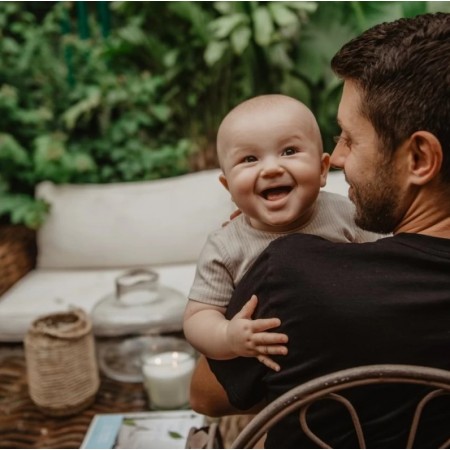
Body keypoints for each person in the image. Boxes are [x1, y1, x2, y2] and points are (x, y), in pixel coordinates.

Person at [190, 12, 450, 448]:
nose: (339, 156)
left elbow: (205, 397)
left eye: (350, 137)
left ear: (420, 159)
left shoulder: (290, 272)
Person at [183, 94, 380, 372]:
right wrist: (228, 337)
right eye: (250, 159)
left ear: (322, 169)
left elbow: (387, 263)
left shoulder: (346, 214)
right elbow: (198, 317)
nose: (272, 168)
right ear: (228, 187)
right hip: (278, 370)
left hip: (356, 355)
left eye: (289, 151)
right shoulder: (226, 247)